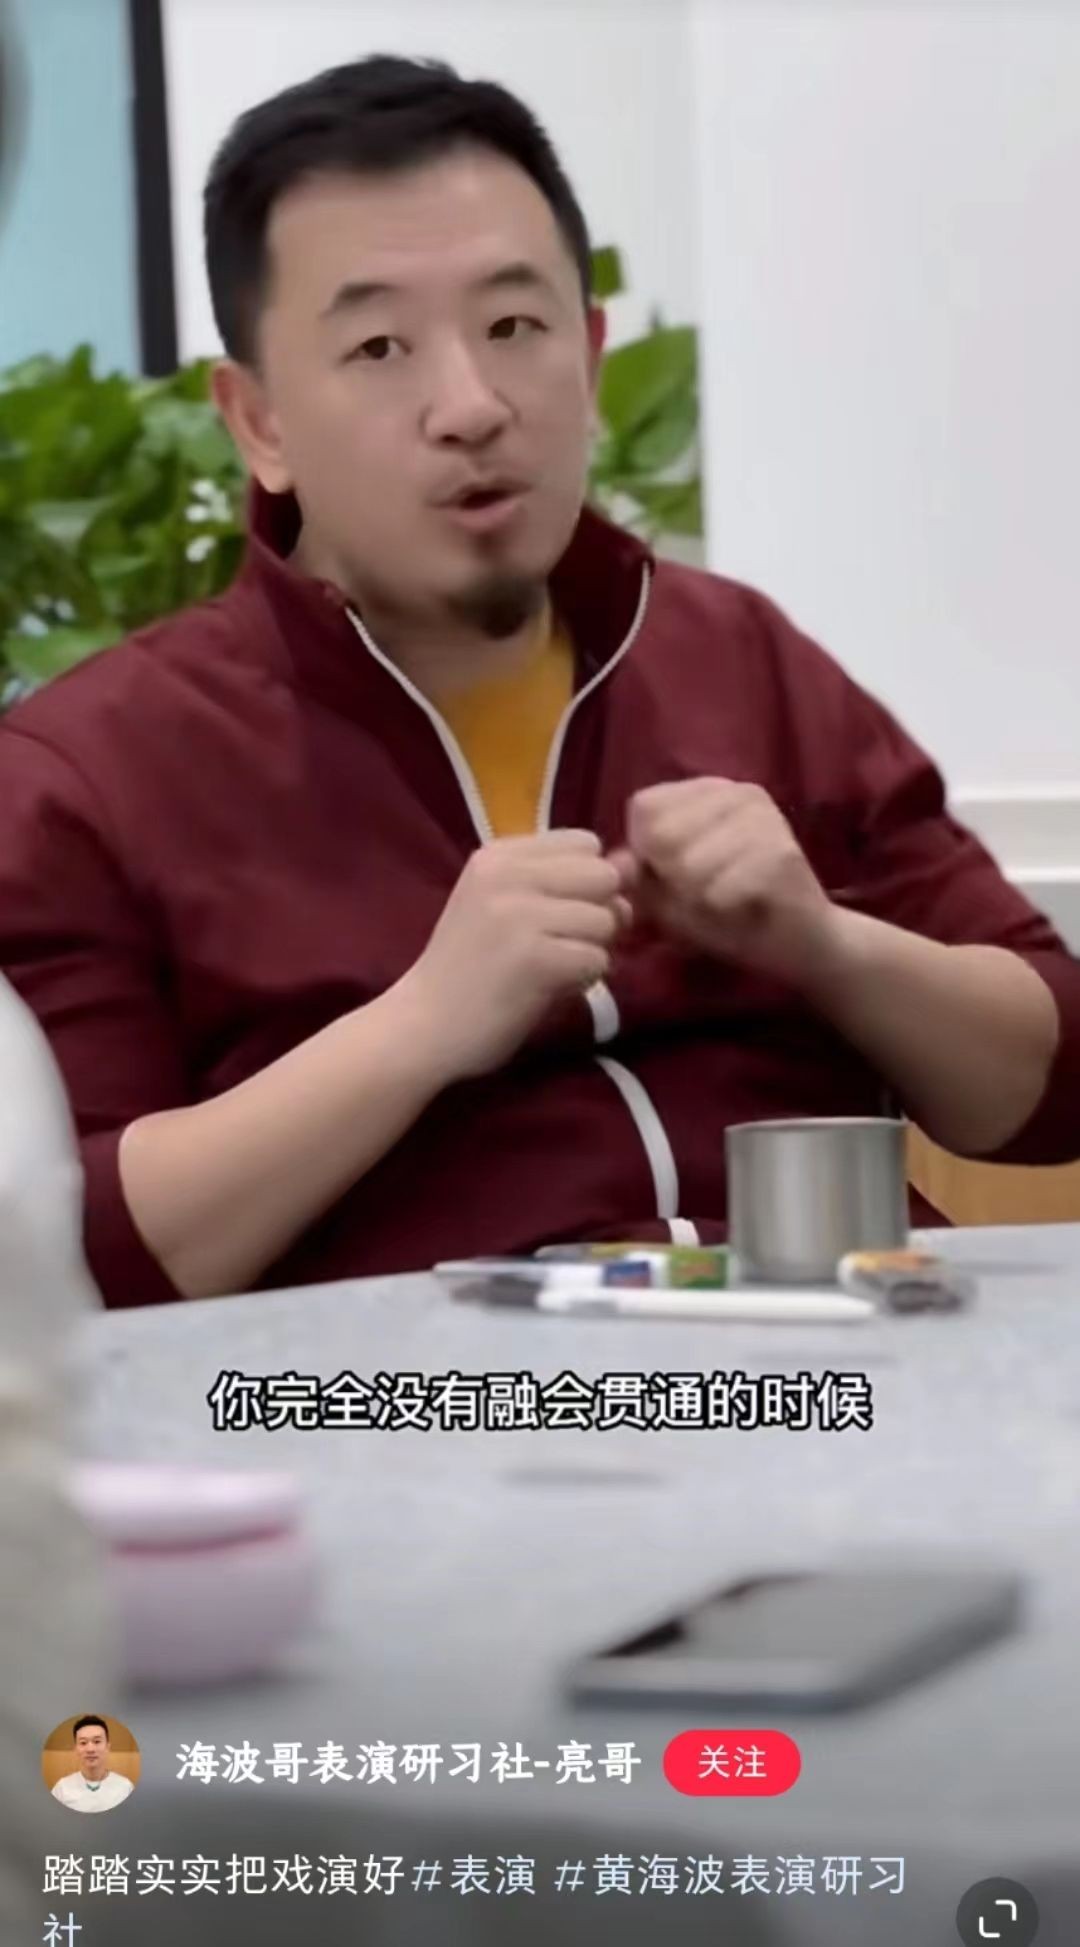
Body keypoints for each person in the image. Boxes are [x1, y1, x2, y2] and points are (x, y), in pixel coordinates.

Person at [0, 55, 1078, 1311]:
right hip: (429, 1408)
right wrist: (420, 1025)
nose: (470, 406)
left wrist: (827, 946)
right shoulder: (91, 771)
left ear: (592, 353)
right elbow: (70, 1255)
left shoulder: (738, 657)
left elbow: (1054, 1088)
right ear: (259, 423)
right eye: (380, 346)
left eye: (515, 327)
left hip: (847, 1367)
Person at [50, 1716, 134, 1813]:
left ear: (107, 1747)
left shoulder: (125, 1786)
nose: (90, 1749)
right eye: (83, 1743)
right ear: (76, 1749)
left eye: (97, 1741)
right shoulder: (62, 1788)